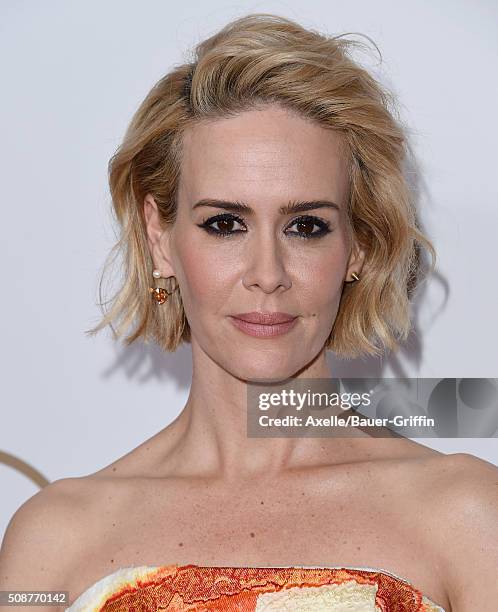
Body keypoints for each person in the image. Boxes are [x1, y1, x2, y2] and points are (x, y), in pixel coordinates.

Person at [1, 12, 497, 612]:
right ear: (161, 237)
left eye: (306, 226)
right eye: (225, 224)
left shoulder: (466, 516)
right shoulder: (55, 541)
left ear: (358, 246)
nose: (268, 273)